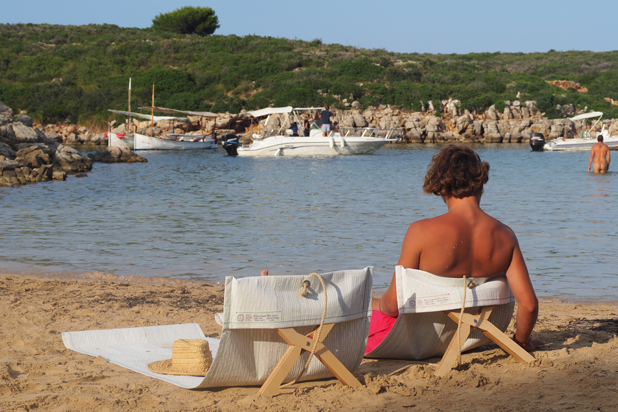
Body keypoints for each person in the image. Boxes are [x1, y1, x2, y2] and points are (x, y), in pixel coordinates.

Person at [370, 144, 544, 353]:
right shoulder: (505, 235)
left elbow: (392, 306)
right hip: (472, 339)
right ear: (481, 185)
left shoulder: (421, 231)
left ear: (441, 189)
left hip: (417, 341)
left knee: (361, 308)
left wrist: (374, 303)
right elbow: (529, 306)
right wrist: (521, 342)